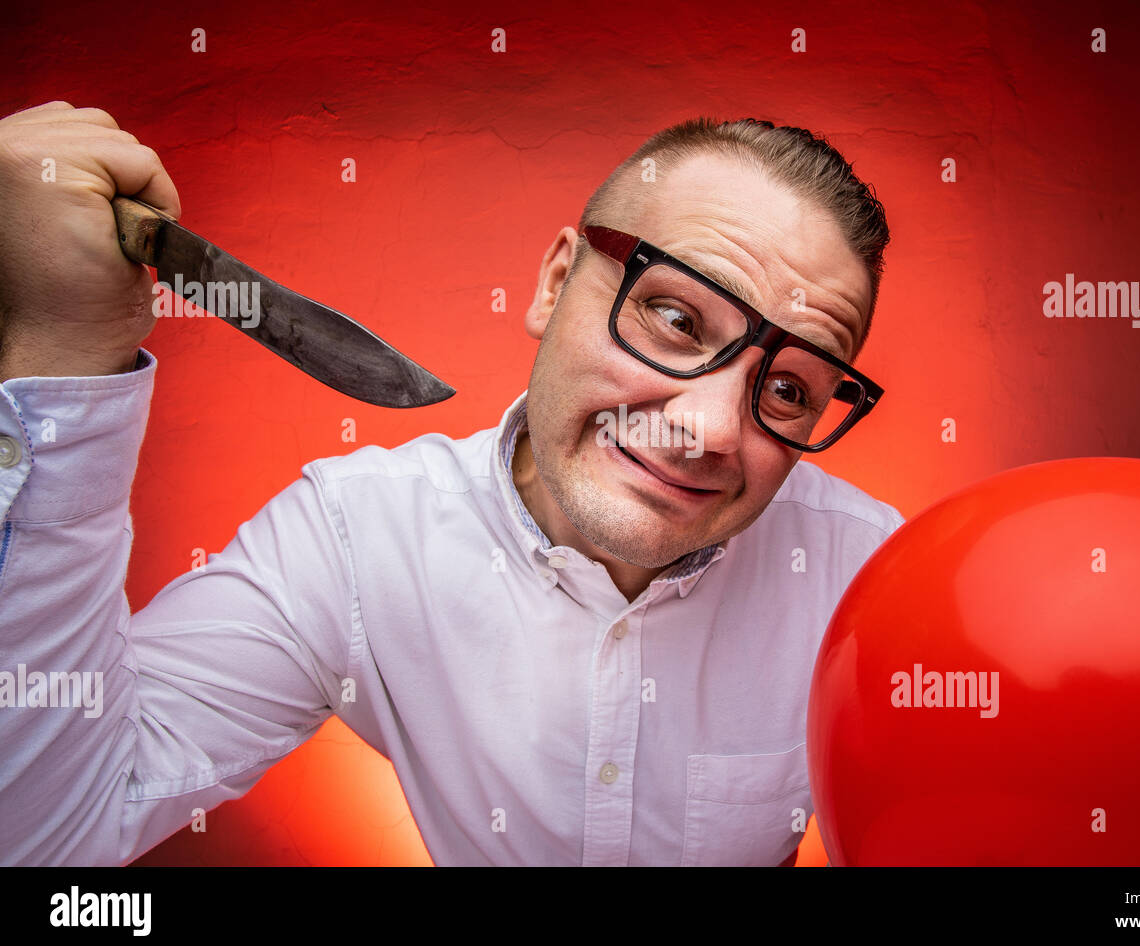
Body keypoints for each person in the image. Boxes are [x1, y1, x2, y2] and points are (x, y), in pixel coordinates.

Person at [0, 101, 903, 865]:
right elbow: (48, 832)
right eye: (673, 316)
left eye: (788, 389)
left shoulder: (879, 585)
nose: (707, 430)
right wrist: (63, 357)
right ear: (556, 283)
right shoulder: (355, 541)